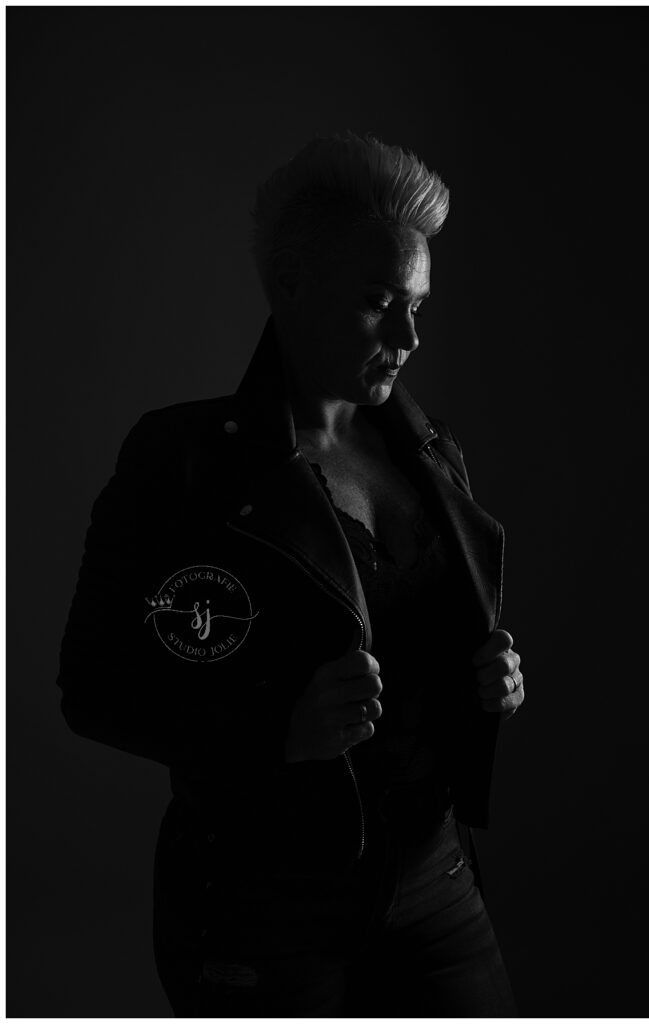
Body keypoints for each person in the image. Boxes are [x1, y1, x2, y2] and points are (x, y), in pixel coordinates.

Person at [56, 129, 525, 1017]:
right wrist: (276, 727)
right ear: (292, 283)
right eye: (379, 301)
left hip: (437, 881)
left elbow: (429, 653)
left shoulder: (433, 457)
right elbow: (93, 688)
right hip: (260, 907)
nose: (408, 336)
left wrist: (488, 684)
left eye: (418, 305)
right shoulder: (183, 462)